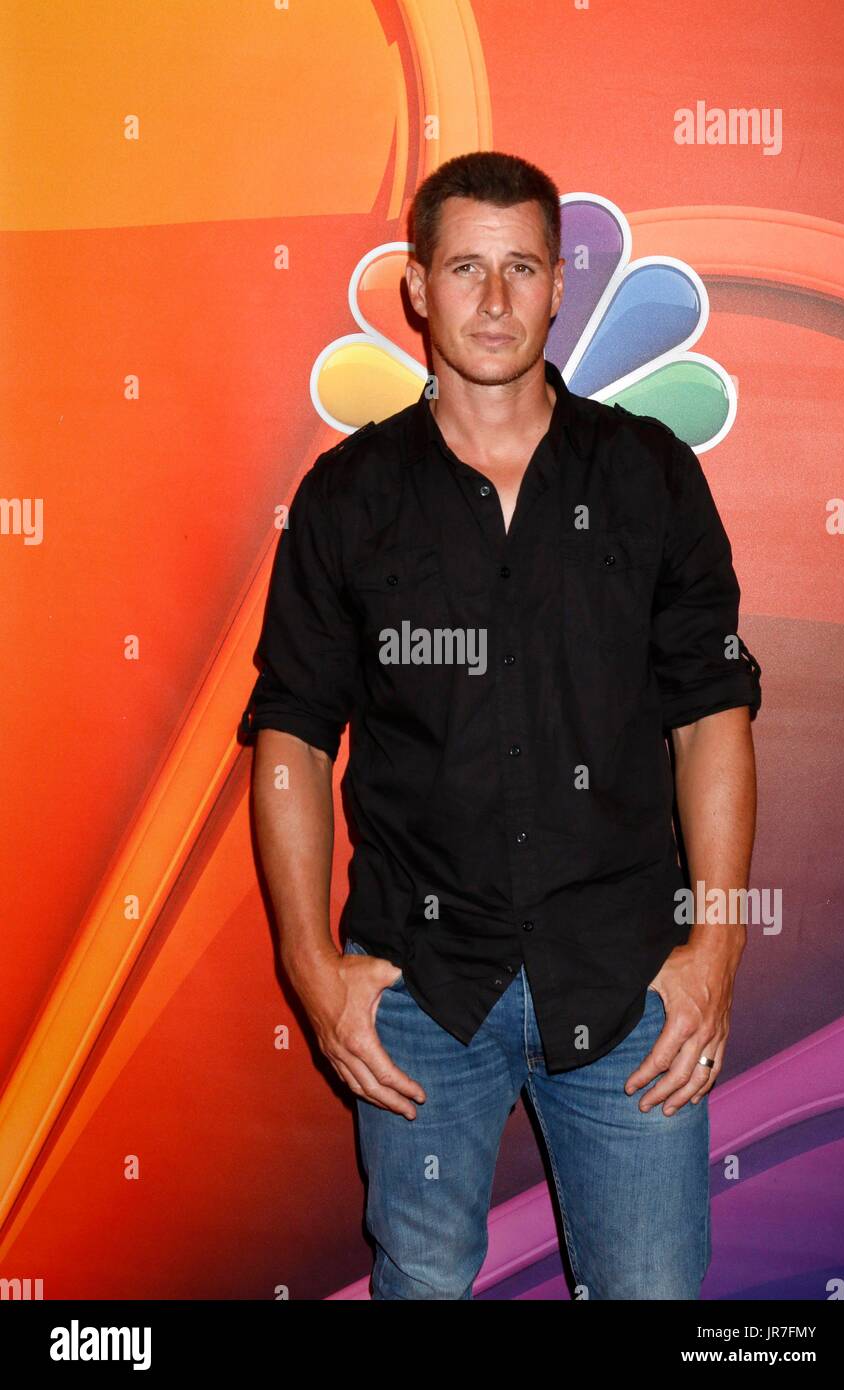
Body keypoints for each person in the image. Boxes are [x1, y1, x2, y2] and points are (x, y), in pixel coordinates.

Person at [242, 150, 762, 1300]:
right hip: (420, 993)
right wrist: (309, 967)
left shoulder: (646, 475)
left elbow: (710, 715)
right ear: (416, 287)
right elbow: (288, 737)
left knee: (654, 1296)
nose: (491, 300)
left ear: (557, 284)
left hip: (628, 986)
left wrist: (715, 946)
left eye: (519, 267)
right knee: (420, 1282)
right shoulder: (348, 498)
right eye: (463, 267)